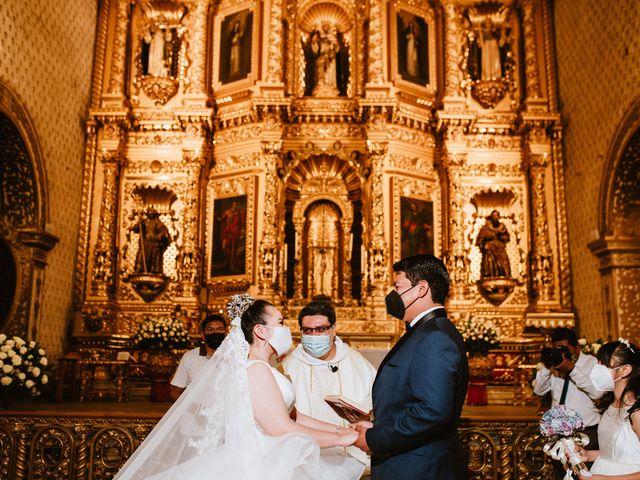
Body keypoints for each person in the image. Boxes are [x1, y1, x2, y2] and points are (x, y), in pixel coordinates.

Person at [113, 294, 364, 480]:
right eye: (280, 322)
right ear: (261, 331)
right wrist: (343, 439)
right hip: (259, 465)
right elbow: (281, 429)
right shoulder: (255, 370)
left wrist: (342, 428)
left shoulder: (265, 368)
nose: (286, 329)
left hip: (271, 457)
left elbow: (293, 415)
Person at [352, 254, 469, 479]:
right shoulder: (424, 332)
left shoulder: (435, 337)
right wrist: (376, 424)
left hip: (421, 469)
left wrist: (374, 439)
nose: (393, 295)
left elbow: (431, 412)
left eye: (398, 287)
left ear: (421, 289)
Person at [282, 301, 376, 467]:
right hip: (306, 461)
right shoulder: (288, 367)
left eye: (320, 329)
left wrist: (367, 414)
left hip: (351, 457)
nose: (314, 335)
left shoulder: (357, 363)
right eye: (307, 331)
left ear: (333, 330)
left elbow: (379, 400)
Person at [533, 327, 602, 478]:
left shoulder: (591, 362)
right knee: (562, 475)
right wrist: (546, 365)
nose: (562, 352)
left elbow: (597, 392)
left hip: (586, 434)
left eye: (566, 348)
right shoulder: (553, 365)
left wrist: (572, 369)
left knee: (587, 476)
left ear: (577, 347)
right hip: (559, 434)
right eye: (558, 348)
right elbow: (539, 390)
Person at [574, 339, 640, 479]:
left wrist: (607, 479)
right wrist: (589, 454)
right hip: (602, 470)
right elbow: (618, 455)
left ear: (625, 370)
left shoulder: (636, 412)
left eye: (603, 365)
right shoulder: (611, 405)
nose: (597, 369)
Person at [169, 314, 227, 401]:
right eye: (210, 329)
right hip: (194, 413)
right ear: (203, 335)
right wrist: (192, 410)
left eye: (219, 329)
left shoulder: (235, 356)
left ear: (226, 334)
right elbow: (175, 391)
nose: (215, 332)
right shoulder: (190, 357)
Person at [131, 208, 171, 275]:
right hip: (145, 244)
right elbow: (135, 229)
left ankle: (154, 270)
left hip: (154, 244)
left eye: (152, 213)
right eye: (149, 212)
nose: (151, 214)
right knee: (141, 257)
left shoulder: (157, 222)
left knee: (154, 258)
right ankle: (140, 269)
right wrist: (139, 224)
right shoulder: (144, 222)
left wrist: (157, 237)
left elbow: (164, 233)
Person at [475, 209, 511, 278]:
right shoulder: (486, 227)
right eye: (494, 216)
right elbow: (480, 239)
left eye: (496, 216)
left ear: (499, 217)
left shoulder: (502, 227)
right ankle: (489, 274)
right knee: (489, 259)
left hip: (500, 248)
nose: (495, 217)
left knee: (504, 260)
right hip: (490, 247)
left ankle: (505, 274)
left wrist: (501, 235)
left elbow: (507, 238)